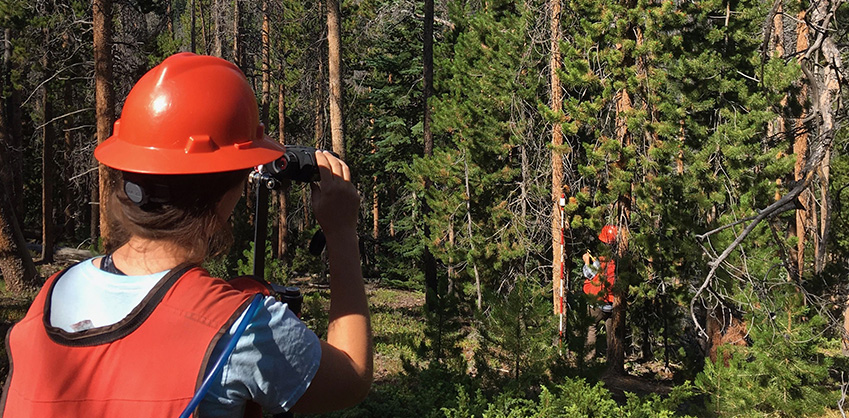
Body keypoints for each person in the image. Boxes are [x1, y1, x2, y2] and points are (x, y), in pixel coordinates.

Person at [1, 53, 372, 417]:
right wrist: (340, 233)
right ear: (228, 190)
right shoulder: (241, 328)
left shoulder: (52, 297)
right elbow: (351, 376)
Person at [581, 224, 617, 360]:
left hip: (597, 302)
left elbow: (588, 273)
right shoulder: (619, 263)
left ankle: (589, 360)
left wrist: (586, 261)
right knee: (612, 334)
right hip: (612, 304)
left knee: (591, 327)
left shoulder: (599, 262)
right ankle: (612, 361)